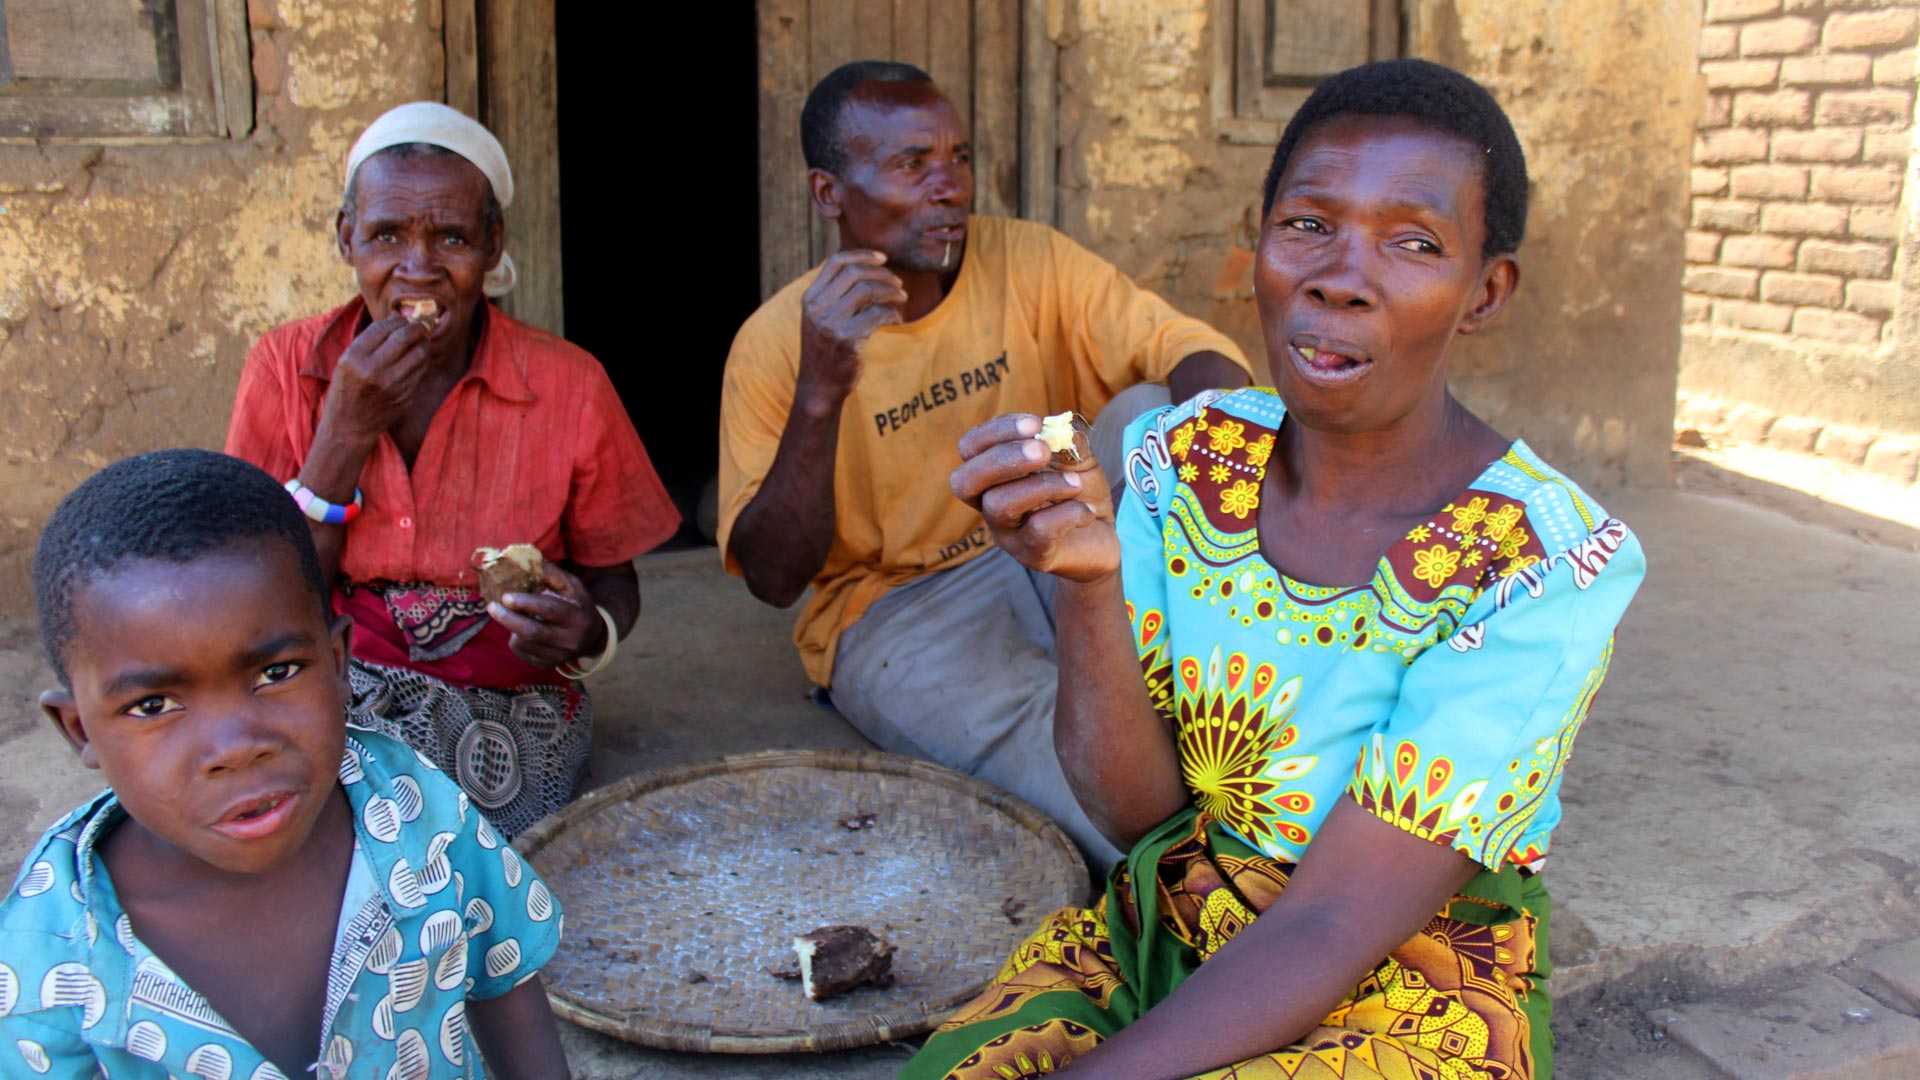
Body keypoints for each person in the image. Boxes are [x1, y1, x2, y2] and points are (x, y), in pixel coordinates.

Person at [903, 59, 1648, 1080]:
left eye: (1415, 243)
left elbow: (1335, 919)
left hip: (1402, 980)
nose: (1340, 275)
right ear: (1256, 244)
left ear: (1485, 292)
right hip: (1169, 926)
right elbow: (1140, 817)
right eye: (1308, 224)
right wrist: (1086, 585)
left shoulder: (1545, 560)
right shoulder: (1186, 458)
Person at [720, 61, 1252, 866]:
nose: (951, 187)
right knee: (1081, 760)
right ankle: (1197, 885)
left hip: (1057, 527)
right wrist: (820, 391)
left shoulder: (1026, 260)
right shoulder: (772, 345)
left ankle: (1239, 667)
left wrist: (1223, 452)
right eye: (912, 165)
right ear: (829, 193)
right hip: (903, 611)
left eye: (959, 158)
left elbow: (1189, 349)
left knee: (1155, 414)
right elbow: (772, 577)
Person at [6, 449, 569, 1079]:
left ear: (337, 662)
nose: (237, 747)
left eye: (276, 673)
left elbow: (505, 976)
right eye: (155, 704)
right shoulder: (48, 958)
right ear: (79, 730)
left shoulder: (415, 807)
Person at [226, 102, 679, 837]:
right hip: (333, 685)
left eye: (452, 237)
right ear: (346, 240)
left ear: (492, 246)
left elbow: (612, 581)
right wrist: (343, 431)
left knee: (460, 846)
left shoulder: (569, 384)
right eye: (385, 235)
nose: (418, 268)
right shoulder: (285, 368)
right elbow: (254, 599)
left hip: (508, 703)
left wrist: (589, 635)